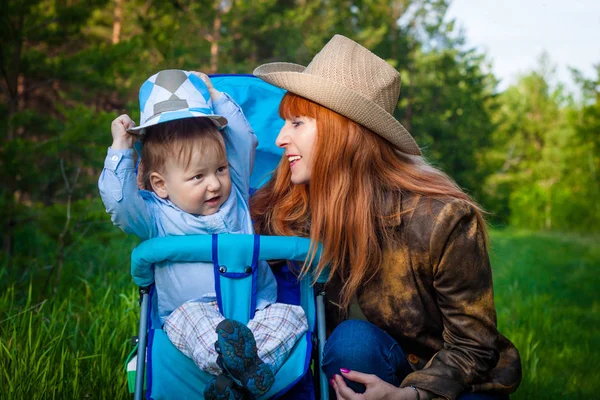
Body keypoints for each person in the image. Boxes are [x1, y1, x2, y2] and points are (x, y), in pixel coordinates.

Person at [251, 35, 522, 400]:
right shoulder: (295, 206)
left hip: (450, 385)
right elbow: (219, 223)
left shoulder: (441, 219)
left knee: (354, 343)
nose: (281, 138)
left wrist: (409, 396)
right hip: (364, 370)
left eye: (297, 122)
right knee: (353, 343)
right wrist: (207, 114)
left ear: (341, 132)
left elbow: (473, 347)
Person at [98, 69, 308, 399]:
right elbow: (119, 204)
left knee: (293, 316)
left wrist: (216, 96)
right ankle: (238, 370)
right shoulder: (154, 215)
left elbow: (241, 139)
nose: (214, 183)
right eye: (197, 177)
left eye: (220, 169)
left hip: (257, 312)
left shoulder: (235, 193)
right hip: (192, 314)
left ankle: (239, 377)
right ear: (160, 184)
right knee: (193, 321)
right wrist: (120, 149)